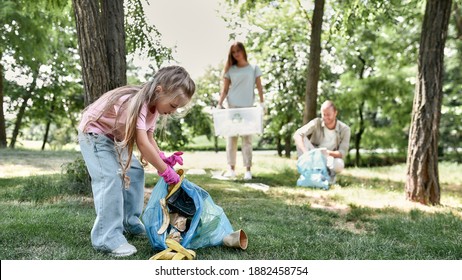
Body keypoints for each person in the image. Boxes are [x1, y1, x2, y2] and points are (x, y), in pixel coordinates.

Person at [77, 66, 195, 257]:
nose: (173, 111)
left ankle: (129, 222)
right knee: (111, 178)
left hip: (115, 138)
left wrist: (163, 159)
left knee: (135, 172)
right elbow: (141, 142)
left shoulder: (154, 108)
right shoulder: (137, 103)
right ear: (159, 90)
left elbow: (149, 138)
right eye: (173, 105)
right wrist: (165, 172)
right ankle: (106, 238)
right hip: (95, 135)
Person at [217, 41, 264, 180]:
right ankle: (231, 169)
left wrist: (262, 103)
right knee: (232, 139)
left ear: (243, 51)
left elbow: (260, 87)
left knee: (247, 139)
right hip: (233, 108)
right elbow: (225, 90)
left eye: (238, 51)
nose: (236, 54)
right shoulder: (230, 70)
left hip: (248, 108)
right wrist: (219, 104)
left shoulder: (254, 68)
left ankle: (247, 170)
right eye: (233, 52)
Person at [293, 100, 350, 182]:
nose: (326, 117)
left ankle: (329, 176)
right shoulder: (317, 122)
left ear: (335, 113)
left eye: (329, 115)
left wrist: (326, 152)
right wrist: (305, 153)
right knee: (301, 138)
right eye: (324, 114)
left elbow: (342, 153)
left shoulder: (345, 129)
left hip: (330, 157)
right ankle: (308, 172)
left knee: (339, 164)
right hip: (313, 155)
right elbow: (298, 134)